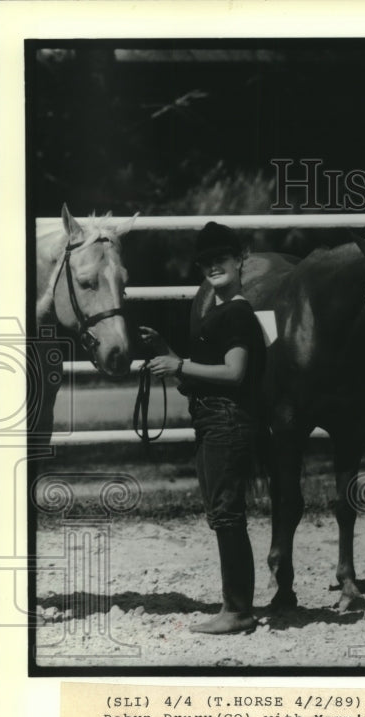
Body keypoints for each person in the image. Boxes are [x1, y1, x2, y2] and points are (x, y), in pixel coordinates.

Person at [140, 222, 267, 633]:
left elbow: (234, 373)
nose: (213, 266)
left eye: (221, 259)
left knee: (227, 515)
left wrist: (180, 364)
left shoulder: (238, 312)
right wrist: (166, 353)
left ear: (239, 259)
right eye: (206, 261)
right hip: (213, 418)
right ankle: (237, 606)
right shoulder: (220, 313)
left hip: (227, 419)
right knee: (222, 513)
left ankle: (238, 610)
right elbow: (194, 378)